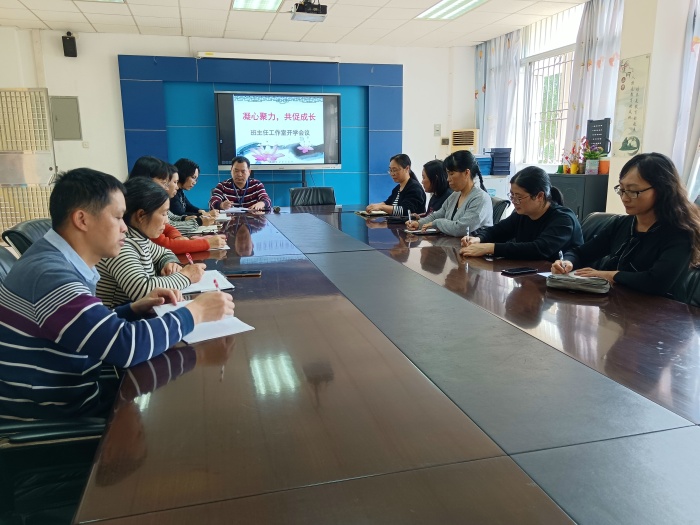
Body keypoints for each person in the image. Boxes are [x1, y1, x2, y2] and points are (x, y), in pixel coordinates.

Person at [0, 168, 234, 421]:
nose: (124, 228)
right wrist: (196, 312)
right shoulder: (50, 276)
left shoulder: (53, 260)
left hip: (71, 390)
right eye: (118, 217)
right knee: (185, 412)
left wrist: (131, 309)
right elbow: (125, 346)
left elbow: (85, 328)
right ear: (82, 220)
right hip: (55, 417)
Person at [552, 152, 700, 298]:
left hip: (661, 310)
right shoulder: (622, 224)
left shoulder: (680, 233)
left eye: (633, 191)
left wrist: (610, 275)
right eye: (622, 189)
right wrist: (567, 262)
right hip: (618, 304)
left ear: (662, 190)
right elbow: (580, 253)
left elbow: (657, 282)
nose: (624, 198)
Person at [96, 177, 207, 308]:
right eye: (164, 214)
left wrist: (168, 263)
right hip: (120, 316)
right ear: (141, 215)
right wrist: (187, 275)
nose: (167, 221)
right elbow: (142, 291)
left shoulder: (140, 238)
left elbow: (164, 252)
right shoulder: (121, 244)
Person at [460, 166, 583, 260]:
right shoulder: (523, 214)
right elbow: (497, 230)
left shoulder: (564, 219)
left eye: (519, 197)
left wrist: (490, 248)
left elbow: (538, 249)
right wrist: (478, 239)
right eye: (512, 195)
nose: (514, 201)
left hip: (563, 280)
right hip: (531, 274)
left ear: (539, 196)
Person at [406, 150, 492, 237]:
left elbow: (461, 229)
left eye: (451, 174)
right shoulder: (455, 195)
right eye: (448, 174)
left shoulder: (480, 198)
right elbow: (438, 215)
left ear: (466, 173)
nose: (448, 179)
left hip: (472, 245)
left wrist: (436, 223)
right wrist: (419, 223)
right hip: (452, 243)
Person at [151, 163, 226, 254]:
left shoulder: (169, 197)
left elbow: (170, 225)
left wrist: (178, 236)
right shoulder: (152, 205)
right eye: (164, 183)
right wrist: (206, 242)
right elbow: (168, 245)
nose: (177, 186)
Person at [129, 156, 214, 234]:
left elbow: (172, 218)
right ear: (147, 180)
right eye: (164, 182)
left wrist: (186, 218)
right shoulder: (146, 202)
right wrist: (199, 221)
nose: (166, 188)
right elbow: (169, 226)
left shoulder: (156, 198)